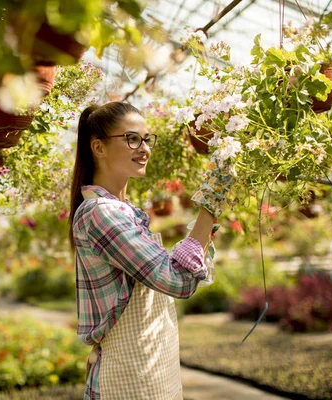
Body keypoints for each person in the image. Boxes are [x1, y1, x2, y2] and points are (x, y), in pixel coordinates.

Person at [69, 101, 235, 400]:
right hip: (128, 376)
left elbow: (172, 275)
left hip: (153, 368)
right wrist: (211, 202)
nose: (144, 147)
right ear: (99, 147)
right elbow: (177, 281)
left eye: (147, 139)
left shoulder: (125, 212)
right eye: (132, 138)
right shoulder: (100, 214)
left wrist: (209, 214)